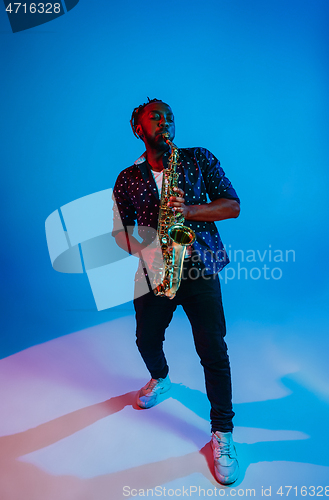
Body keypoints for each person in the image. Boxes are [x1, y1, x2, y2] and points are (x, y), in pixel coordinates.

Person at [112, 98, 241, 485]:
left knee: (213, 351)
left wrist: (189, 212)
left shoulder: (198, 158)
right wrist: (142, 248)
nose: (165, 120)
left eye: (169, 116)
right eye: (156, 116)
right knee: (145, 338)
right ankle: (161, 377)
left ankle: (222, 433)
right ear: (139, 127)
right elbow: (121, 232)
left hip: (199, 268)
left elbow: (232, 206)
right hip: (154, 271)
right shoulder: (126, 178)